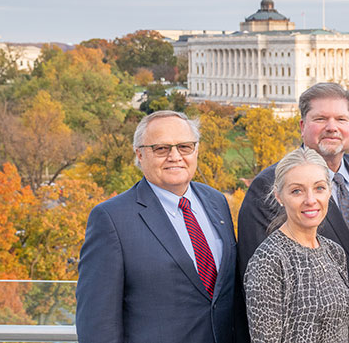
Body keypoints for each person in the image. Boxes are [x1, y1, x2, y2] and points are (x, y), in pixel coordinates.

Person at [236, 83, 349, 343]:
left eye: (340, 119)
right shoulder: (268, 186)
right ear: (302, 126)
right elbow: (261, 291)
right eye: (320, 119)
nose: (332, 127)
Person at [76, 110, 236, 343]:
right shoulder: (111, 219)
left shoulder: (216, 201)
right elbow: (97, 325)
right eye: (161, 149)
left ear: (196, 150)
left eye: (184, 147)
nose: (175, 156)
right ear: (140, 154)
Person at [244, 147, 349, 343]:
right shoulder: (268, 261)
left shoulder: (334, 252)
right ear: (279, 197)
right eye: (297, 191)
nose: (311, 200)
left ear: (329, 191)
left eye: (319, 188)